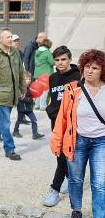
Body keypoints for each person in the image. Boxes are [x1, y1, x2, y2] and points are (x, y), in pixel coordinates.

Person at [50, 49, 105, 218]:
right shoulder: (73, 89)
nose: (90, 71)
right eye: (87, 67)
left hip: (101, 141)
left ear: (102, 70)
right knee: (75, 179)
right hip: (77, 140)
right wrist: (57, 142)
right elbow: (62, 119)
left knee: (99, 183)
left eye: (95, 68)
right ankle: (77, 210)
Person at [42, 45, 81, 207]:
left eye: (63, 59)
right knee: (60, 154)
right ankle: (68, 178)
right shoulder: (53, 78)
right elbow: (53, 98)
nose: (60, 63)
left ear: (70, 59)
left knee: (67, 156)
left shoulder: (79, 76)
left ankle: (54, 189)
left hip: (72, 123)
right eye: (57, 60)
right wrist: (50, 111)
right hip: (56, 123)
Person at [0, 27, 25, 161]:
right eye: (7, 37)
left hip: (12, 95)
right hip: (0, 96)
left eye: (11, 36)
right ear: (0, 39)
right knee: (6, 124)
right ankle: (10, 149)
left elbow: (20, 72)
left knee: (2, 121)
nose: (10, 39)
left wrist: (23, 89)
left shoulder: (15, 53)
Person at [12, 71, 45, 139]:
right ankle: (15, 131)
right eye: (26, 79)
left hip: (29, 109)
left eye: (29, 79)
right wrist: (31, 100)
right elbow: (21, 98)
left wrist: (35, 94)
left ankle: (35, 134)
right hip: (21, 108)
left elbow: (32, 94)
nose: (28, 81)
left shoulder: (30, 87)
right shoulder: (20, 88)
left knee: (34, 120)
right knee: (19, 120)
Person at [34, 38, 55, 110]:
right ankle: (42, 106)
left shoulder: (37, 52)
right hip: (46, 74)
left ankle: (36, 105)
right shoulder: (47, 52)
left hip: (37, 74)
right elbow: (52, 62)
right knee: (44, 91)